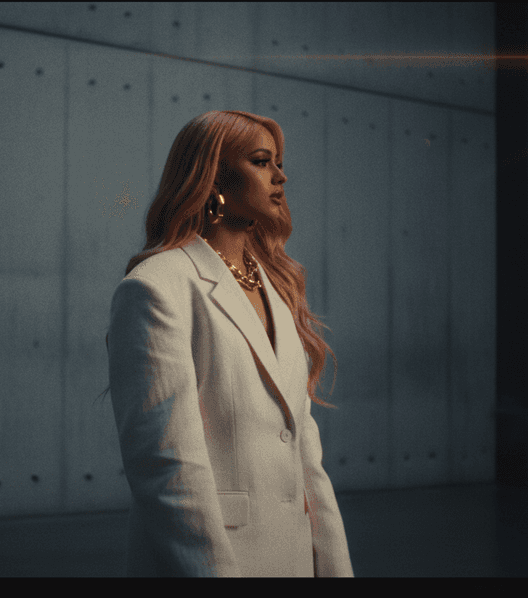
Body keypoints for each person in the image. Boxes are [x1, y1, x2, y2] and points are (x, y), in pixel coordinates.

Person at [102, 110, 353, 577]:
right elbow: (167, 468)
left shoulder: (277, 287)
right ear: (212, 175)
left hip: (293, 560)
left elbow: (305, 458)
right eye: (261, 161)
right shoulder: (157, 286)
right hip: (211, 562)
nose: (280, 176)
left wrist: (336, 570)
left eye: (278, 162)